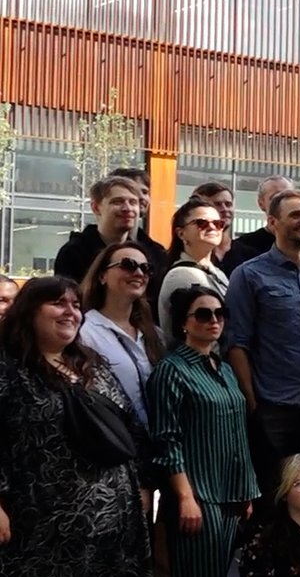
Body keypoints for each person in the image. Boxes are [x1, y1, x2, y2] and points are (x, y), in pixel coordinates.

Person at [0, 278, 159, 577]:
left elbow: (129, 428)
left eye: (75, 304)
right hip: (37, 519)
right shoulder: (9, 371)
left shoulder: (91, 365)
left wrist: (141, 485)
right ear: (29, 312)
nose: (70, 312)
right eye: (57, 303)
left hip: (110, 514)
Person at [148, 285, 257, 577]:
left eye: (219, 313)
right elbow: (166, 440)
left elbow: (237, 432)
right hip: (198, 497)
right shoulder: (171, 371)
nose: (213, 321)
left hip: (229, 495)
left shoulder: (223, 368)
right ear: (183, 322)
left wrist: (246, 489)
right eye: (202, 314)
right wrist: (184, 497)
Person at [225, 189, 300, 498]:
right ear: (272, 223)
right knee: (274, 493)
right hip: (274, 407)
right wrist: (252, 403)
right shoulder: (248, 275)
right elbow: (237, 343)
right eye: (295, 215)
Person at [78, 240, 165, 432]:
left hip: (157, 442)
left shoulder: (155, 335)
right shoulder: (84, 332)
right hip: (114, 440)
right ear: (102, 276)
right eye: (128, 265)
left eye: (146, 268)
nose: (139, 273)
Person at [54, 175, 168, 283]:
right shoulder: (74, 254)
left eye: (133, 202)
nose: (127, 208)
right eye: (117, 202)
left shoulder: (155, 254)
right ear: (96, 207)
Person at [158, 197, 231, 324]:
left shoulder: (218, 273)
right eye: (201, 223)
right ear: (181, 233)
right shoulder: (180, 276)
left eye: (218, 223)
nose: (212, 227)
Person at [220, 175, 294, 273]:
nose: (284, 203)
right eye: (275, 198)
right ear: (261, 204)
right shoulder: (242, 247)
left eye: (289, 197)